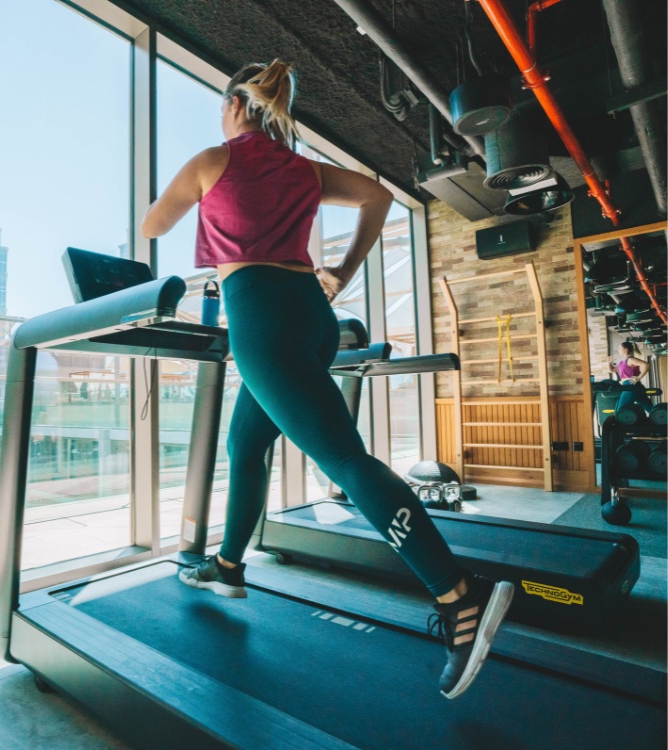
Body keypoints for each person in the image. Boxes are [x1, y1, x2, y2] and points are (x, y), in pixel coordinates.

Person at [141, 60, 513, 700]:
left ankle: (460, 596)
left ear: (235, 105)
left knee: (344, 459)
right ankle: (229, 566)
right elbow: (380, 197)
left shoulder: (212, 159)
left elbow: (152, 225)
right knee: (246, 445)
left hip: (260, 318)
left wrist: (208, 205)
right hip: (313, 318)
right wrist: (339, 269)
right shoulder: (303, 171)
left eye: (222, 106)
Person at [608, 341, 653, 413]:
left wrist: (639, 377)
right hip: (633, 387)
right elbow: (612, 369)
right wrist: (609, 362)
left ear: (625, 349)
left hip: (631, 386)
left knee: (621, 410)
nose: (618, 350)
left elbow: (646, 365)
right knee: (651, 410)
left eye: (620, 348)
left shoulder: (630, 360)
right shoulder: (622, 362)